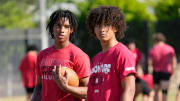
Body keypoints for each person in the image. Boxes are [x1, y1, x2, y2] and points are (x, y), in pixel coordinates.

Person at [31, 9, 91, 101]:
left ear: (71, 30)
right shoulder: (42, 55)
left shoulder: (78, 55)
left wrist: (66, 88)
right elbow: (39, 86)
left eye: (66, 27)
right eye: (58, 26)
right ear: (52, 28)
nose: (62, 30)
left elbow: (88, 91)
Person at [86, 6, 136, 101]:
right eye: (98, 25)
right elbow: (91, 92)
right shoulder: (96, 58)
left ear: (115, 28)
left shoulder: (122, 53)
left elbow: (129, 89)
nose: (102, 29)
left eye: (106, 25)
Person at [148, 32, 177, 101]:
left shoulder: (153, 49)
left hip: (156, 72)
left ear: (155, 40)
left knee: (156, 92)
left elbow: (149, 62)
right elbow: (173, 62)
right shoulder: (170, 48)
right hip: (166, 72)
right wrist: (173, 72)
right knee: (164, 92)